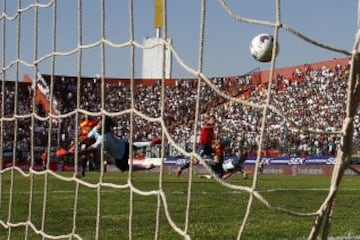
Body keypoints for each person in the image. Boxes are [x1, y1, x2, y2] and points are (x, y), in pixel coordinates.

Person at [78, 117, 157, 176]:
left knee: (125, 168)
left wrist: (76, 153)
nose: (98, 126)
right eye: (99, 124)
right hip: (122, 145)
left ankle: (146, 167)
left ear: (105, 128)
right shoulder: (96, 130)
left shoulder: (104, 138)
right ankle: (149, 143)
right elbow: (87, 138)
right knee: (132, 146)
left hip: (120, 156)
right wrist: (78, 143)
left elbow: (91, 149)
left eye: (101, 125)